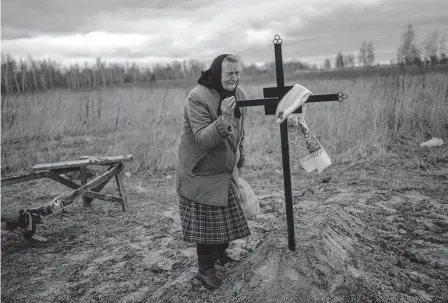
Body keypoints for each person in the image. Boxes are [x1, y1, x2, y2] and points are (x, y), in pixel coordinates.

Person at [175, 54, 250, 290]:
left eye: (238, 73)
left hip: (225, 169)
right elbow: (202, 139)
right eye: (229, 74)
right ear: (217, 73)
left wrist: (240, 159)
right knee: (207, 225)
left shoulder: (240, 96)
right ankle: (204, 271)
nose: (235, 78)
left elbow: (241, 132)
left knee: (226, 217)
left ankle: (220, 254)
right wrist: (223, 119)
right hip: (201, 171)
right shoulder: (197, 98)